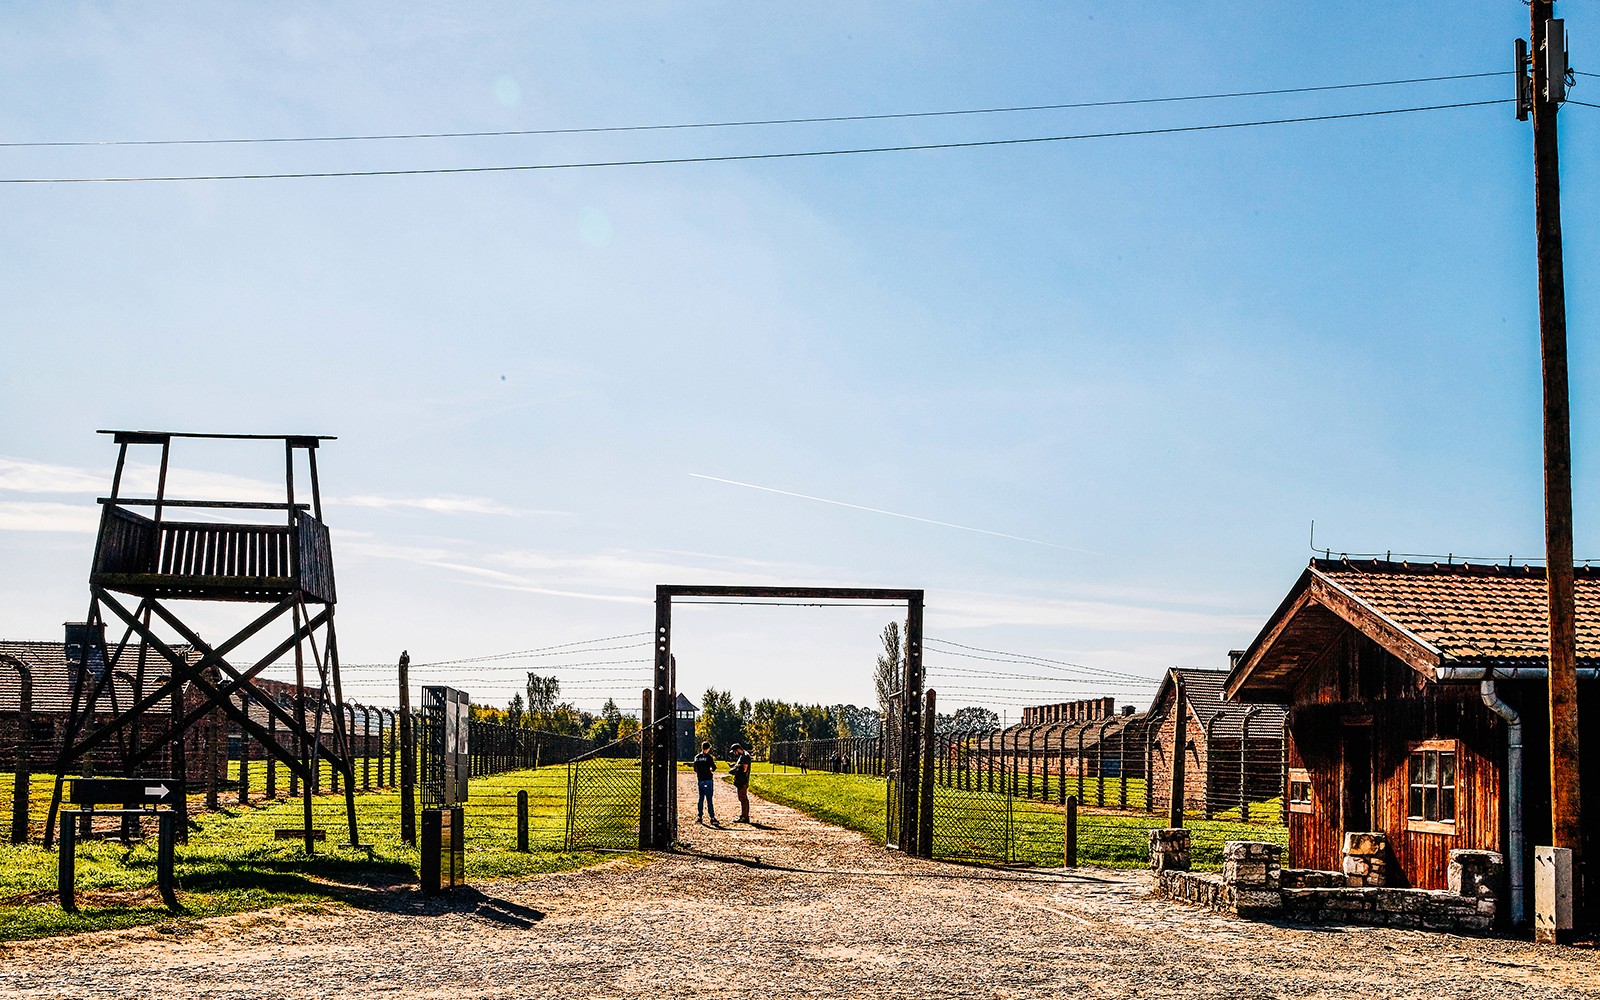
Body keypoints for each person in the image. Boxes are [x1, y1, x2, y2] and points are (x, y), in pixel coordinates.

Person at [693, 741, 719, 825]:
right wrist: (710, 770)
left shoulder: (697, 757)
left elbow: (695, 769)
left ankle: (700, 817)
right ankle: (712, 817)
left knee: (701, 799)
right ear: (708, 749)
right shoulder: (708, 757)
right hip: (708, 779)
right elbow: (714, 767)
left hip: (700, 779)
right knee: (709, 799)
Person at [729, 743, 753, 823]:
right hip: (740, 781)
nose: (734, 753)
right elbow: (740, 765)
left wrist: (736, 769)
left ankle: (745, 817)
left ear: (738, 749)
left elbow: (744, 769)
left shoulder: (745, 756)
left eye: (734, 751)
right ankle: (744, 815)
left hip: (743, 780)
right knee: (741, 798)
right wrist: (734, 766)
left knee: (743, 799)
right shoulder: (741, 756)